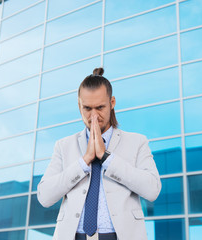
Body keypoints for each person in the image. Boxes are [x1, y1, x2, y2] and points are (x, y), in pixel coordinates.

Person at [37, 67, 162, 240]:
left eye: (100, 107)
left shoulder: (137, 142)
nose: (93, 116)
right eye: (87, 108)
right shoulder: (63, 146)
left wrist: (106, 158)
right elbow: (45, 196)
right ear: (79, 105)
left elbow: (152, 190)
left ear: (112, 103)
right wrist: (84, 161)